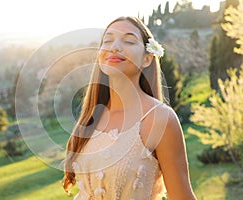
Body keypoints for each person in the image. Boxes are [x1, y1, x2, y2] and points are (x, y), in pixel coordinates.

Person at [62, 16, 196, 200]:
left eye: (129, 41)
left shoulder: (160, 119)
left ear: (147, 59)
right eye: (107, 40)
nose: (114, 47)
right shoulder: (93, 116)